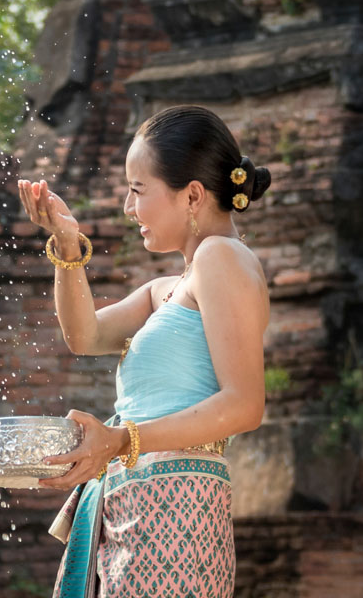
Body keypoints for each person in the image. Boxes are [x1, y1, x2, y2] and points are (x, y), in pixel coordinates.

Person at [16, 105, 271, 597]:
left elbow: (244, 405)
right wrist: (68, 249)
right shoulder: (166, 289)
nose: (129, 209)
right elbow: (84, 337)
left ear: (192, 195)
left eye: (138, 190)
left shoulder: (221, 257)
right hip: (136, 506)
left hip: (178, 508)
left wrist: (118, 441)